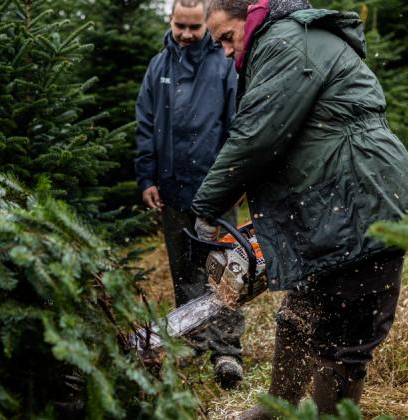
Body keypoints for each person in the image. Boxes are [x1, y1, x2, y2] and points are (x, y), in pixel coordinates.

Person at [191, 0, 408, 416]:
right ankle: (278, 406)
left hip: (364, 202)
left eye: (227, 37)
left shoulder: (286, 44)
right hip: (327, 204)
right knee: (300, 309)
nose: (225, 51)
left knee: (346, 332)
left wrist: (207, 208)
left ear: (252, 12)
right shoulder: (276, 41)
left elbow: (257, 138)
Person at [134, 0, 245, 389]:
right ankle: (193, 342)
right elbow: (146, 125)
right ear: (171, 20)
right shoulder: (158, 67)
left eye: (194, 27)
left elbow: (237, 127)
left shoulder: (223, 64)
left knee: (226, 270)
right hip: (172, 188)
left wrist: (232, 183)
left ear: (205, 25)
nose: (185, 34)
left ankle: (227, 349)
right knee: (184, 270)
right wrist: (147, 177)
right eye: (180, 25)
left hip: (217, 191)